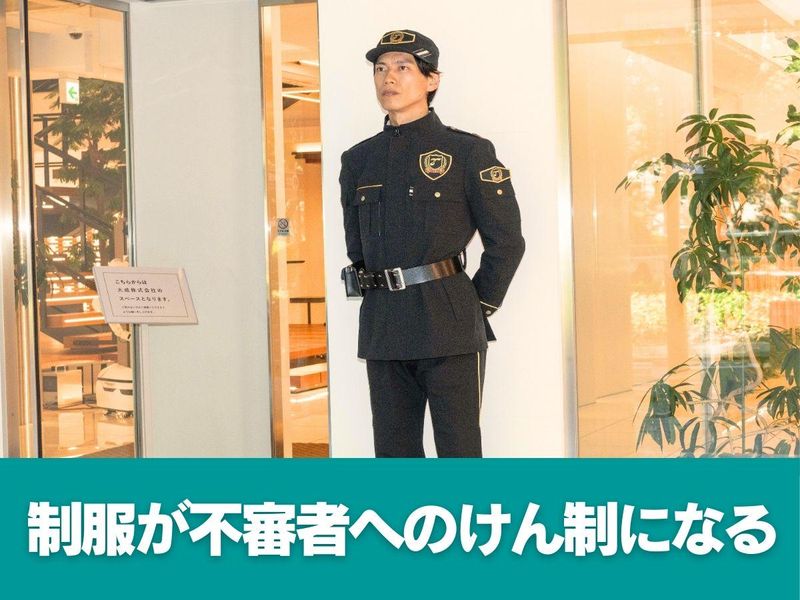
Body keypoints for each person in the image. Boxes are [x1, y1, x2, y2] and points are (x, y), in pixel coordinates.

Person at [339, 29, 525, 457]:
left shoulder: (468, 152)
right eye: (380, 69)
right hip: (384, 325)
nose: (389, 77)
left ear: (432, 80)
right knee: (393, 456)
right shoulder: (358, 159)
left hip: (448, 324)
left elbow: (507, 242)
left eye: (403, 67)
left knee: (458, 454)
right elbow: (357, 246)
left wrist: (474, 307)